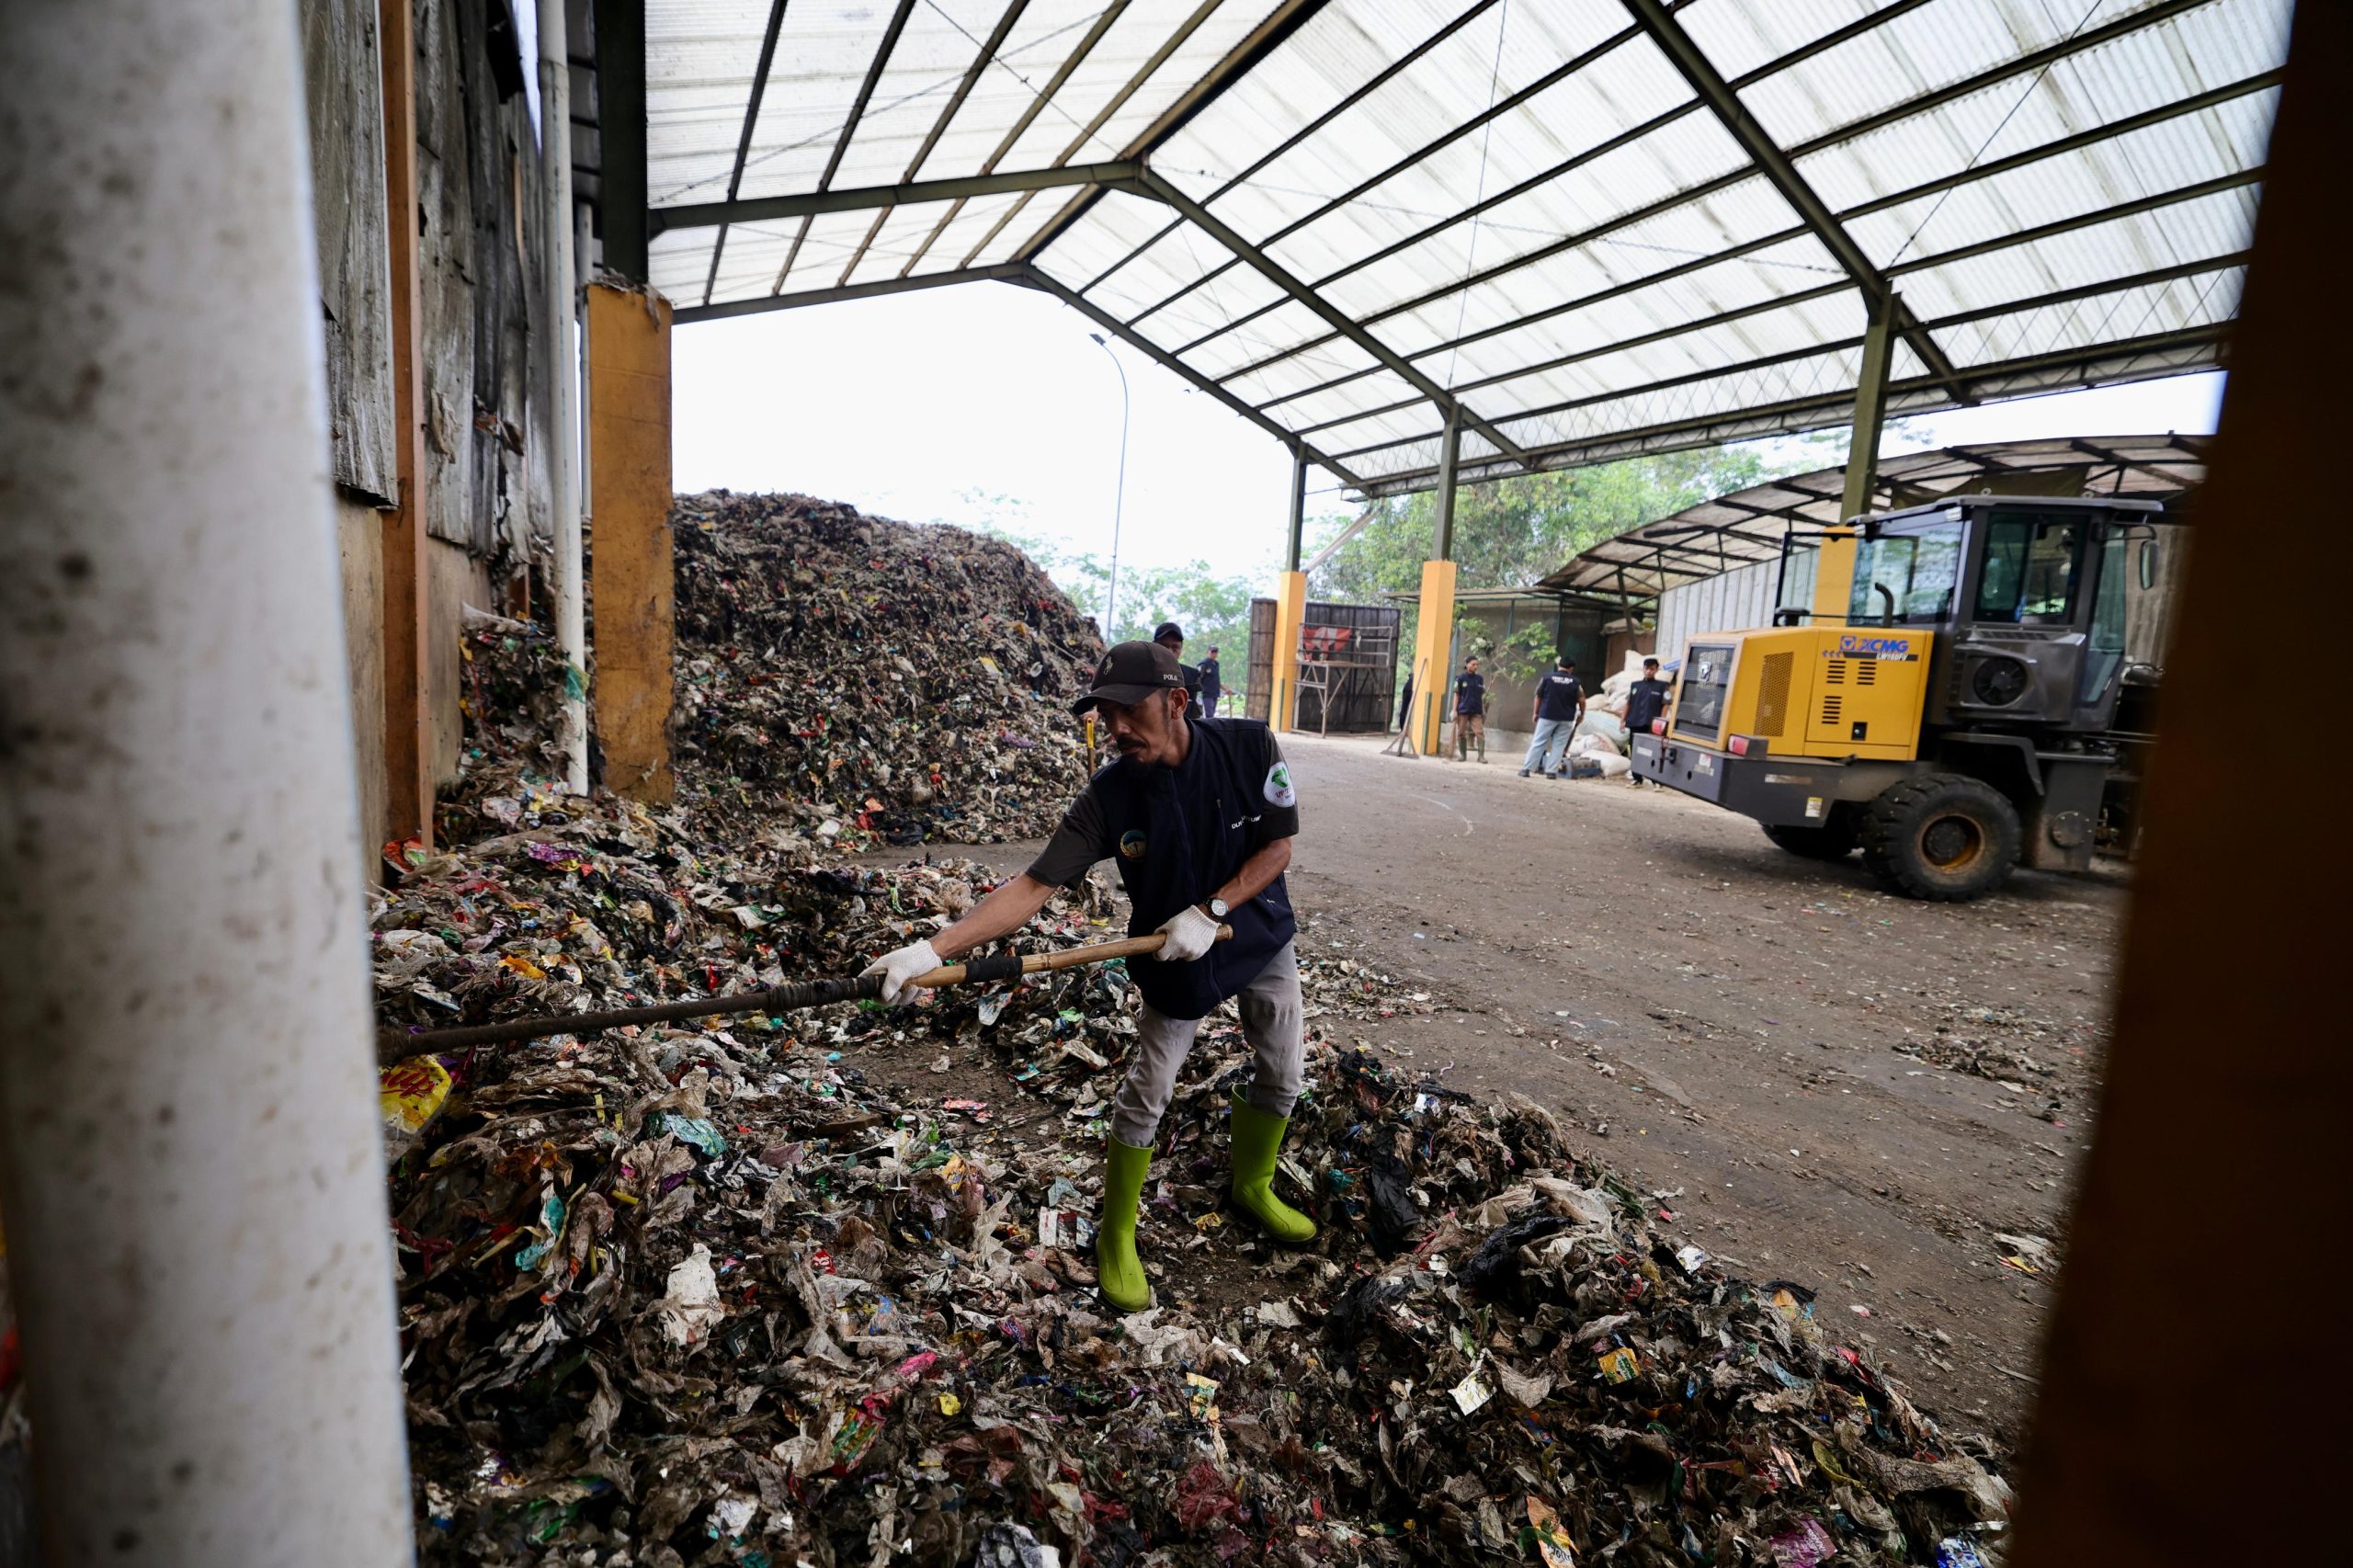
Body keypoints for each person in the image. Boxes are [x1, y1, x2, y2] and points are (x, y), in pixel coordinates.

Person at [860, 641, 1313, 1312]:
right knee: (1150, 1089)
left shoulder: (1249, 747)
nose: (1116, 728)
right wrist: (932, 949)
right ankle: (1117, 1231)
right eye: (1105, 714)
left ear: (1178, 701)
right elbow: (1035, 884)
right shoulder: (1111, 795)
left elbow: (1277, 845)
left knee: (1283, 1071)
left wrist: (1213, 907)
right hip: (1170, 952)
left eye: (1129, 711)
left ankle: (1252, 1186)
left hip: (1255, 933)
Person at [1519, 654, 1586, 778]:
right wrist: (1581, 714)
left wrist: (1535, 713)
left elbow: (1538, 696)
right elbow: (1582, 699)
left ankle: (1526, 769)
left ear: (1559, 665)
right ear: (1571, 668)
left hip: (1547, 716)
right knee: (1559, 745)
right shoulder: (1576, 682)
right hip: (1566, 718)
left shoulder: (1547, 678)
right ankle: (1551, 772)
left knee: (1539, 741)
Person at [1623, 656, 1673, 786]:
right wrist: (1623, 720)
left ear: (1656, 670)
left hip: (1652, 725)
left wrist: (1661, 722)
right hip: (1634, 723)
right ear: (1643, 669)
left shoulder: (1662, 686)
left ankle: (1655, 780)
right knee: (1634, 751)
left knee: (1653, 752)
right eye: (1647, 669)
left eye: (1652, 669)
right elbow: (1628, 703)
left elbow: (1666, 704)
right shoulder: (1635, 685)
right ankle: (1637, 778)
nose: (1649, 671)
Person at [1154, 620, 1204, 718]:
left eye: (1175, 647)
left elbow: (1194, 713)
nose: (1169, 651)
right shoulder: (1141, 673)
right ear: (1153, 646)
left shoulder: (1192, 676)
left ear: (1181, 649)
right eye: (1164, 646)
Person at [1450, 655, 1487, 762]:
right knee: (1461, 733)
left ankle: (1481, 756)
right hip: (1463, 710)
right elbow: (1456, 695)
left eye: (1477, 665)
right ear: (1467, 665)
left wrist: (1483, 710)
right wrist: (1454, 710)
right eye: (1473, 664)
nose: (1476, 666)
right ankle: (1463, 755)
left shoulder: (1480, 679)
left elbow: (1481, 695)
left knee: (1479, 732)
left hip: (1476, 710)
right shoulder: (1460, 679)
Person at [1198, 645, 1223, 718]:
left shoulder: (1216, 664)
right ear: (1208, 652)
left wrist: (1225, 689)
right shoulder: (1204, 664)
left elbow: (1216, 680)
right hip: (1207, 693)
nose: (1214, 653)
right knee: (1209, 714)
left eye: (1215, 652)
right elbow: (1198, 678)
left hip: (1215, 693)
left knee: (1212, 713)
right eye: (1212, 651)